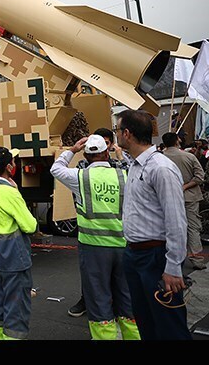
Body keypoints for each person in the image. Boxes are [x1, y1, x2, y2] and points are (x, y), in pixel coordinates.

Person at [50, 135, 139, 340]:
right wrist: (122, 155)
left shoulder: (80, 177)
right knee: (126, 297)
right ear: (106, 153)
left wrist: (72, 150)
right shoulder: (124, 175)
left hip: (94, 248)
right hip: (123, 245)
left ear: (86, 155)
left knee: (99, 299)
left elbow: (56, 169)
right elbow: (138, 167)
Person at [115, 109, 191, 340]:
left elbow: (176, 220)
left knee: (169, 326)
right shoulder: (137, 165)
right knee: (146, 322)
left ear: (127, 133)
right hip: (135, 255)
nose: (116, 135)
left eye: (117, 130)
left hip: (156, 256)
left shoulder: (161, 168)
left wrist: (173, 267)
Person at [68, 127, 130, 318]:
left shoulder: (120, 168)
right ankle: (85, 300)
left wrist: (121, 158)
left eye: (105, 142)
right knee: (94, 284)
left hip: (118, 238)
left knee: (120, 289)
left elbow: (136, 175)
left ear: (110, 146)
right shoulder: (82, 167)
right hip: (94, 237)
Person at [0, 147, 37, 340]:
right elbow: (30, 225)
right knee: (17, 307)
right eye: (13, 161)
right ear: (8, 167)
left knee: (1, 303)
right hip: (15, 257)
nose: (15, 164)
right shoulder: (9, 193)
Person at [161, 131, 206, 270]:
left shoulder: (159, 158)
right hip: (189, 197)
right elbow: (200, 176)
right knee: (193, 227)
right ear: (177, 141)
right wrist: (185, 186)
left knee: (167, 227)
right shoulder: (188, 156)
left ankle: (168, 258)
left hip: (166, 197)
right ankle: (197, 259)